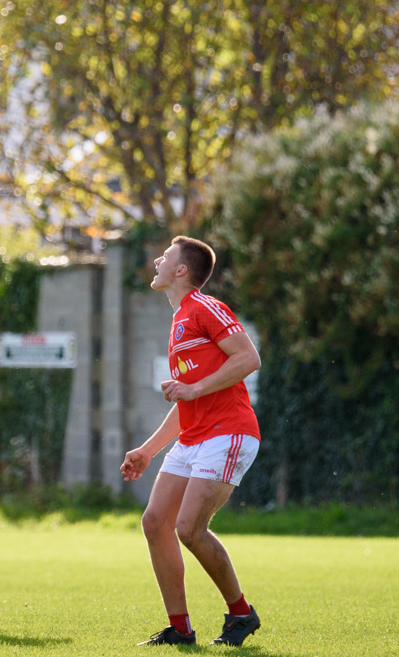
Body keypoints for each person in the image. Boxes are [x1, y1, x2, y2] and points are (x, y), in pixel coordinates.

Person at [120, 236, 263, 647]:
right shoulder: (180, 318)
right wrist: (147, 450)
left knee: (188, 528)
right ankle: (180, 629)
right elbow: (186, 400)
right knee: (155, 522)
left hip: (229, 433)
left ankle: (241, 614)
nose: (157, 260)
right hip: (195, 437)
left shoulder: (205, 307)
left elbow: (248, 359)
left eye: (165, 256)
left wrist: (194, 388)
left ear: (181, 271)